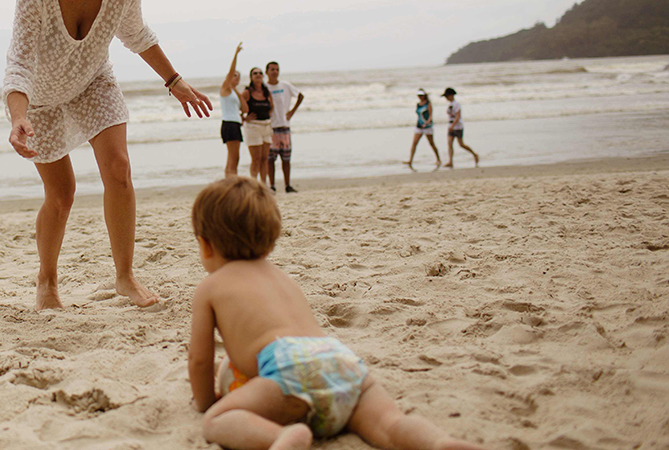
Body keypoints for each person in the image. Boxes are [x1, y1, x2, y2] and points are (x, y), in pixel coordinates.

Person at [4, 0, 212, 311]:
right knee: (61, 195)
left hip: (93, 81)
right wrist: (19, 117)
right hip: (40, 98)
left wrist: (175, 81)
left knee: (119, 170)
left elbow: (136, 35)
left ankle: (125, 277)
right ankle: (47, 281)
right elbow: (20, 61)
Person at [188, 177, 488, 450]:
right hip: (340, 360)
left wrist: (205, 403)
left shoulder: (211, 287)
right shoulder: (283, 278)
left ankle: (281, 438)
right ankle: (438, 443)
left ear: (205, 245)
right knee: (391, 424)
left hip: (289, 370)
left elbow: (200, 361)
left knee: (217, 420)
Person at [265, 62, 304, 193]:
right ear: (267, 72)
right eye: (272, 69)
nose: (275, 72)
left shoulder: (285, 85)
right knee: (270, 159)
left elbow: (300, 95)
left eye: (277, 69)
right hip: (271, 128)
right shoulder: (264, 87)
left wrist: (292, 111)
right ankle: (272, 185)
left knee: (286, 158)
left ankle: (288, 185)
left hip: (285, 126)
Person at [220, 43, 249, 177]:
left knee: (235, 158)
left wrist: (237, 90)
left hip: (235, 124)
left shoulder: (234, 92)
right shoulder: (225, 88)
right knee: (233, 158)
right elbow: (231, 71)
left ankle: (231, 181)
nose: (236, 77)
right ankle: (231, 182)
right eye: (234, 75)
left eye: (238, 76)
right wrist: (236, 54)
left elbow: (245, 108)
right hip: (229, 124)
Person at [241, 67, 273, 185]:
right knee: (256, 159)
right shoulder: (247, 92)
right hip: (253, 127)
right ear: (251, 77)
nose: (258, 75)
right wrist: (244, 118)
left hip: (266, 126)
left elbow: (271, 106)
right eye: (255, 73)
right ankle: (254, 185)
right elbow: (236, 106)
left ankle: (263, 185)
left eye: (260, 73)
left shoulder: (266, 91)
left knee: (265, 159)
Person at [442, 88, 479, 168]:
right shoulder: (450, 104)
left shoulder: (456, 104)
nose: (446, 98)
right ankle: (450, 161)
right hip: (451, 126)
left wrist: (452, 126)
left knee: (461, 144)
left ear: (451, 95)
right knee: (450, 144)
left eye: (447, 96)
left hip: (458, 127)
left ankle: (474, 154)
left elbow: (458, 116)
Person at [404, 89, 441, 170]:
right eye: (419, 95)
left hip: (427, 126)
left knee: (431, 143)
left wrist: (427, 122)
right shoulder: (418, 104)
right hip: (419, 126)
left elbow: (431, 115)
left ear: (424, 95)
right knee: (414, 143)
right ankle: (410, 160)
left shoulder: (428, 104)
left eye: (421, 95)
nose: (420, 97)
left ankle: (438, 159)